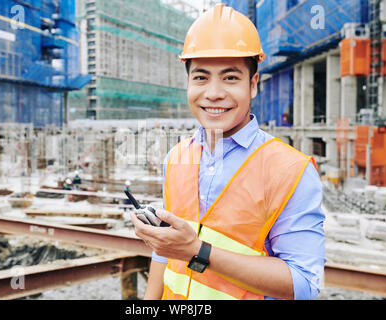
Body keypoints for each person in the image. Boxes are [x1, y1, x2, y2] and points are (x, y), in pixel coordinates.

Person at [131, 4, 325, 300]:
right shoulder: (177, 157)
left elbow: (303, 285)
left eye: (230, 77)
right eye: (201, 77)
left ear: (253, 84)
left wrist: (198, 251)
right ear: (188, 82)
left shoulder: (289, 170)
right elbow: (165, 254)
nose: (213, 93)